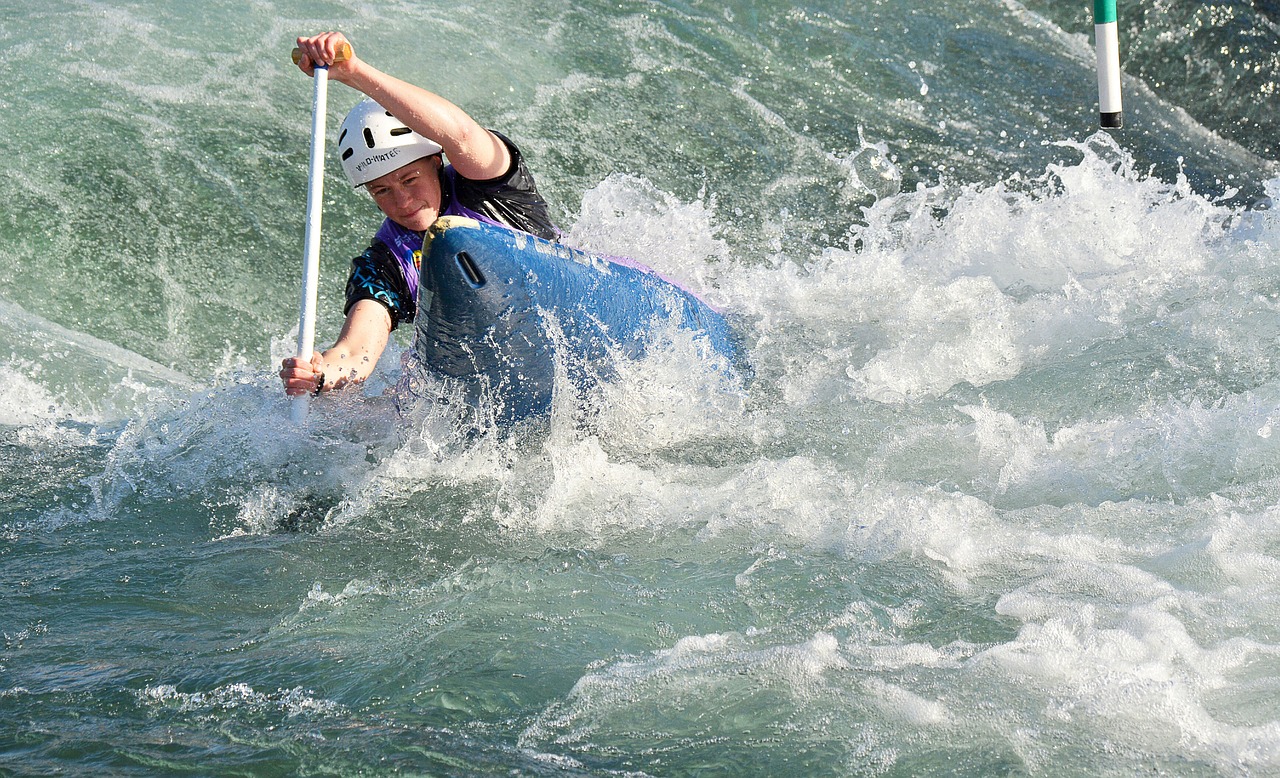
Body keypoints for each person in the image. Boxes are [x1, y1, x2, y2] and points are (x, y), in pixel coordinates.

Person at [279, 32, 558, 399]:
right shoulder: (383, 263)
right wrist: (319, 375)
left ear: (436, 161)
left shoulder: (492, 184)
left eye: (410, 179)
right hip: (481, 370)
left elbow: (458, 132)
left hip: (553, 307)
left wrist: (353, 72)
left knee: (451, 235)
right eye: (382, 190)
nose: (402, 200)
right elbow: (355, 351)